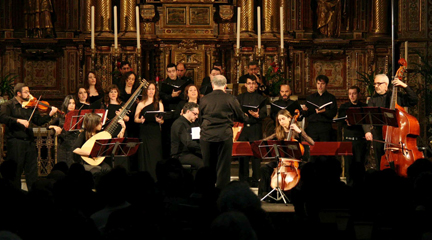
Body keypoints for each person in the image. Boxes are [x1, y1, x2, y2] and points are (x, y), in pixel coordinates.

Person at [0, 83, 58, 190]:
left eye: (28, 91)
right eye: (26, 92)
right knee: (16, 172)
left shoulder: (30, 106)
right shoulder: (8, 105)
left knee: (32, 172)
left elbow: (38, 121)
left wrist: (50, 114)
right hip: (15, 142)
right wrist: (18, 120)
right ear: (18, 93)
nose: (29, 94)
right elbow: (2, 117)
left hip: (29, 141)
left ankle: (33, 197)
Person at [199, 75, 248, 189]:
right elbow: (240, 117)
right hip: (224, 135)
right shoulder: (231, 99)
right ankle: (221, 192)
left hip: (207, 135)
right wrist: (246, 117)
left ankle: (207, 191)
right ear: (226, 86)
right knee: (223, 166)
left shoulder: (204, 99)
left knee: (207, 165)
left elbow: (200, 119)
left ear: (212, 85)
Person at [363, 74, 418, 171]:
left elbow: (414, 100)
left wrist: (404, 86)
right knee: (380, 162)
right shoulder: (372, 99)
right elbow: (367, 117)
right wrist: (367, 131)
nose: (376, 86)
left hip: (396, 137)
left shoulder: (396, 96)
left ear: (386, 84)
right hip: (379, 135)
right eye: (375, 84)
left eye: (379, 84)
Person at [258, 109, 315, 200]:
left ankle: (299, 196)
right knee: (264, 168)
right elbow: (268, 140)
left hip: (296, 162)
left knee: (306, 168)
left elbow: (312, 142)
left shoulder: (297, 130)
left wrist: (300, 132)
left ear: (289, 118)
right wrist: (258, 142)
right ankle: (265, 194)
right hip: (282, 162)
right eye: (279, 120)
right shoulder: (278, 131)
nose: (281, 122)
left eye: (283, 119)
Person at [236, 75, 267, 187]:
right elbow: (235, 112)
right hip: (243, 128)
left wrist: (257, 114)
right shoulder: (240, 97)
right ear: (245, 85)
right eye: (249, 83)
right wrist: (242, 114)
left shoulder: (261, 98)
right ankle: (243, 179)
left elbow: (264, 113)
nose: (251, 86)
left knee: (256, 155)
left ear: (256, 85)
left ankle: (255, 179)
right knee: (243, 154)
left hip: (255, 127)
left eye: (253, 83)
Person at [337, 86, 367, 187]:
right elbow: (340, 121)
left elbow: (366, 122)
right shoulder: (344, 107)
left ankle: (360, 188)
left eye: (354, 93)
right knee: (348, 165)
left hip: (359, 140)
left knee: (359, 165)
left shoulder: (364, 107)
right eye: (350, 94)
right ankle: (349, 187)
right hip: (347, 140)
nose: (352, 96)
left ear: (358, 94)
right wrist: (347, 123)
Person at [134, 82, 165, 181]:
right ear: (146, 91)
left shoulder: (159, 104)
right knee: (145, 155)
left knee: (155, 155)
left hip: (155, 132)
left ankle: (156, 178)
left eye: (153, 89)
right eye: (149, 89)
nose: (151, 91)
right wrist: (140, 120)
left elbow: (162, 119)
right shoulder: (141, 104)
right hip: (145, 131)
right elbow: (135, 119)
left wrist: (160, 120)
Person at [159, 63, 190, 159]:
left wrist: (178, 95)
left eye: (173, 71)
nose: (172, 74)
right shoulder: (163, 84)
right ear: (167, 72)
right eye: (169, 72)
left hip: (179, 113)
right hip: (168, 114)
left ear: (177, 71)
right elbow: (161, 96)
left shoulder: (183, 83)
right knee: (167, 139)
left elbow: (185, 97)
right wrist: (171, 96)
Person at [302, 75, 338, 142]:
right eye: (318, 83)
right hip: (312, 127)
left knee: (324, 150)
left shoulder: (331, 98)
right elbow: (306, 114)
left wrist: (324, 111)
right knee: (312, 149)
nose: (320, 86)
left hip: (325, 127)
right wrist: (304, 110)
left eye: (322, 84)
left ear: (326, 85)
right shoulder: (310, 98)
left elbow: (333, 113)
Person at [48, 95, 80, 167]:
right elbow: (48, 126)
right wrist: (55, 127)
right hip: (63, 145)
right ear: (66, 104)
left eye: (73, 103)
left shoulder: (78, 116)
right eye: (69, 103)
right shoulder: (61, 116)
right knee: (63, 166)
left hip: (74, 145)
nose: (71, 105)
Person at [171, 102, 203, 172]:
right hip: (180, 155)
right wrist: (203, 147)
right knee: (202, 164)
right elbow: (188, 143)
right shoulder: (179, 124)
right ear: (188, 111)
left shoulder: (192, 123)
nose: (197, 117)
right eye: (195, 114)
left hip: (190, 152)